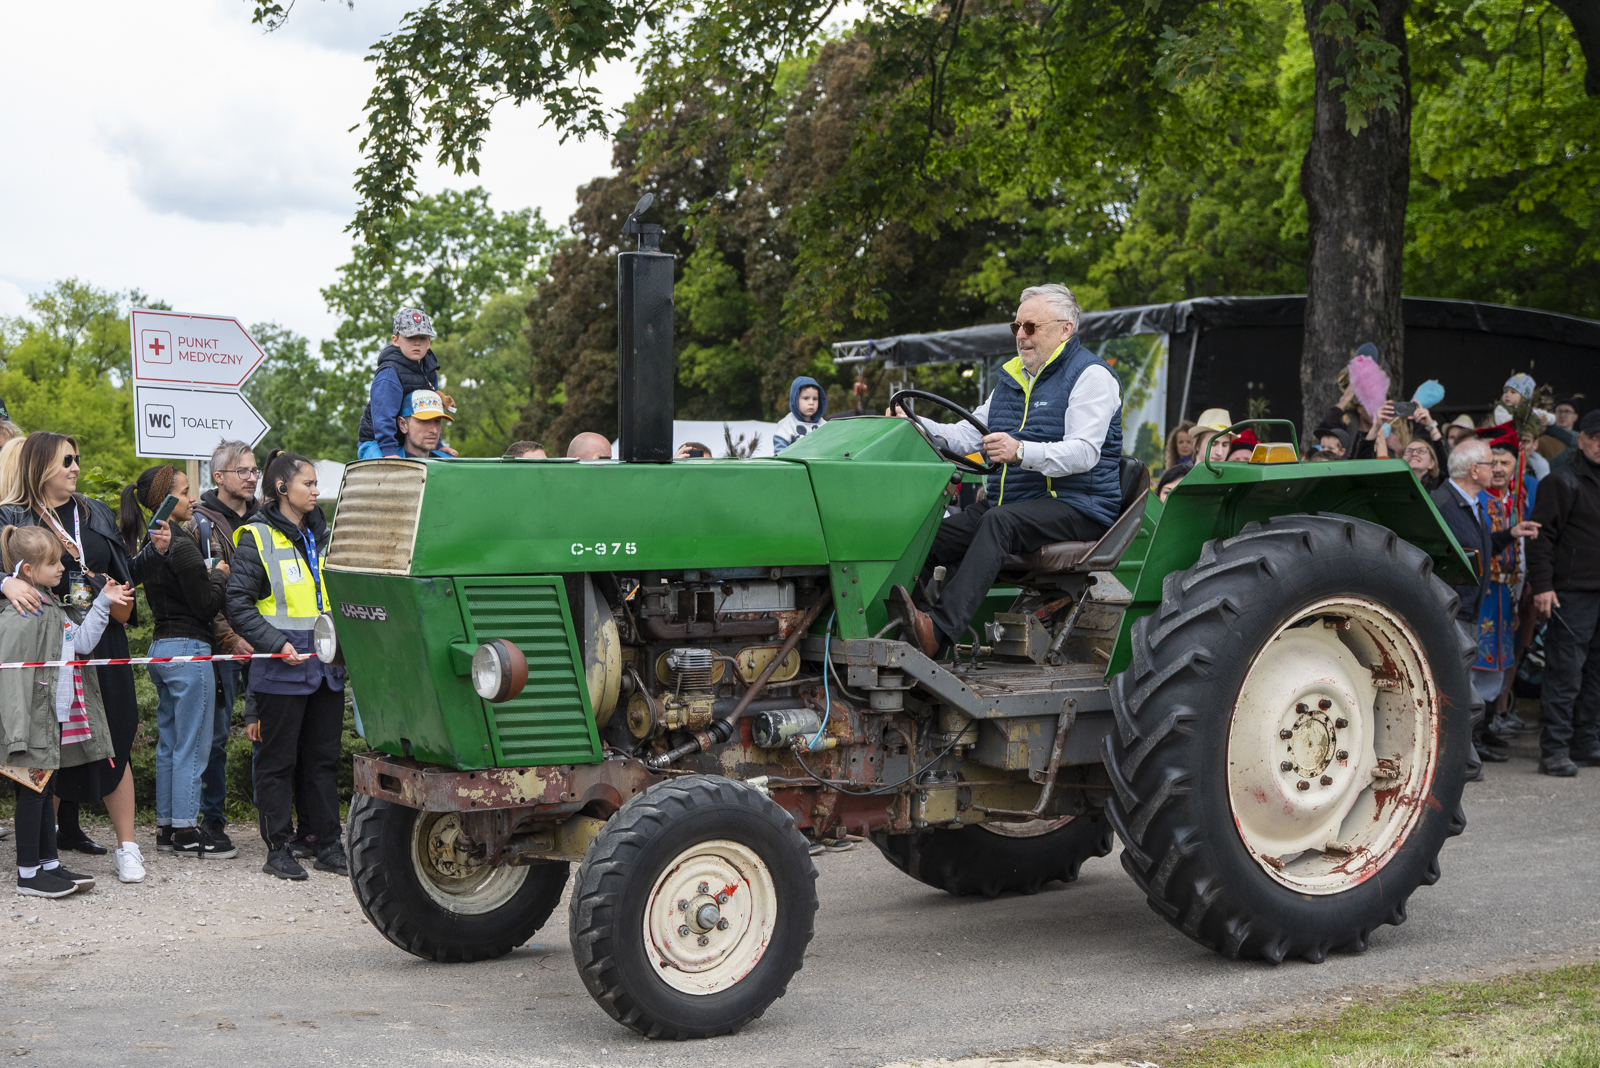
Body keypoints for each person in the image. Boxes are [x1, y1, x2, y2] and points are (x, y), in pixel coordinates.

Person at [887, 283, 1123, 656]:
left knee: (999, 522)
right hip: (1014, 503)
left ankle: (938, 631)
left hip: (1078, 505)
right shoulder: (1010, 381)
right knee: (925, 536)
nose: (1021, 336)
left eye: (1031, 326)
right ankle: (904, 634)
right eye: (1016, 327)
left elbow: (1084, 453)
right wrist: (915, 425)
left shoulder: (1091, 376)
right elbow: (966, 436)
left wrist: (1019, 451)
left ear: (1065, 329)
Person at [0, 433, 164, 876]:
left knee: (118, 736)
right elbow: (5, 570)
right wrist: (5, 581)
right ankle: (42, 854)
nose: (76, 467)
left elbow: (123, 574)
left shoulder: (95, 511)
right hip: (47, 642)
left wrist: (153, 556)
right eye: (66, 460)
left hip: (101, 638)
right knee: (50, 742)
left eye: (76, 459)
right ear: (39, 467)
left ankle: (128, 848)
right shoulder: (11, 515)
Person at [225, 450, 348, 880]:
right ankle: (278, 848)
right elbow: (237, 604)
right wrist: (276, 643)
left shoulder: (324, 534)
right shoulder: (255, 536)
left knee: (322, 762)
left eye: (316, 484)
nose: (316, 491)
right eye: (307, 484)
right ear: (281, 488)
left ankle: (325, 843)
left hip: (326, 668)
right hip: (282, 668)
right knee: (277, 763)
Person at [0, 525, 132, 896]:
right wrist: (16, 729)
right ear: (28, 570)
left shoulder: (51, 606)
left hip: (50, 717)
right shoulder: (19, 613)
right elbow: (10, 676)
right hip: (29, 720)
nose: (62, 568)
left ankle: (48, 863)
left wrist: (103, 603)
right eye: (53, 562)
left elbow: (82, 643)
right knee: (33, 792)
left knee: (46, 789)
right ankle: (29, 874)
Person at [120, 465, 236, 859]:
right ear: (164, 500)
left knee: (170, 745)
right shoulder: (181, 543)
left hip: (162, 650)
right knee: (193, 746)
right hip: (189, 650)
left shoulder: (151, 545)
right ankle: (187, 831)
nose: (193, 499)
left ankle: (168, 826)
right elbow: (205, 605)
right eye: (185, 492)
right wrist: (219, 575)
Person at [1429, 439, 1541, 771]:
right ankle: (1461, 759)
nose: (1496, 469)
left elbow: (1479, 546)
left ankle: (1468, 752)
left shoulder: (1472, 502)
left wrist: (1510, 533)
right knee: (1458, 688)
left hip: (1468, 606)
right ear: (1474, 469)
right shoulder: (1441, 503)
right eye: (1491, 463)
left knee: (1466, 685)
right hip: (1452, 607)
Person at [193, 440, 260, 846]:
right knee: (215, 737)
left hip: (266, 640)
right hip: (223, 644)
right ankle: (212, 819)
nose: (252, 478)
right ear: (219, 477)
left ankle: (272, 822)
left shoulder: (266, 519)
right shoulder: (200, 523)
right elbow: (203, 593)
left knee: (267, 733)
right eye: (243, 471)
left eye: (255, 471)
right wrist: (230, 637)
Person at [1528, 409, 1600, 777]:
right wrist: (1542, 585)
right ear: (1581, 439)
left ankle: (1587, 742)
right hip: (1571, 593)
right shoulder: (1561, 480)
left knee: (1596, 674)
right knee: (1564, 673)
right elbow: (1540, 537)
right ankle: (1554, 748)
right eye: (1596, 438)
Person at [356, 308, 451, 460]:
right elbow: (383, 415)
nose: (417, 343)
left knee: (446, 462)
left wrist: (438, 445)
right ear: (396, 340)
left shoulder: (429, 370)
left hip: (409, 441)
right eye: (410, 337)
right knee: (392, 470)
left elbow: (432, 411)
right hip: (378, 441)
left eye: (422, 338)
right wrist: (389, 451)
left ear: (429, 342)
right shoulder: (389, 373)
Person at [392, 390, 454, 459]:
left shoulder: (449, 462)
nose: (434, 430)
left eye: (437, 421)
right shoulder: (386, 462)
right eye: (424, 421)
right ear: (403, 425)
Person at [773, 377, 827, 453]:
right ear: (795, 399)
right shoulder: (787, 424)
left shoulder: (823, 425)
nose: (811, 403)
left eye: (815, 399)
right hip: (794, 460)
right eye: (806, 398)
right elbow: (780, 452)